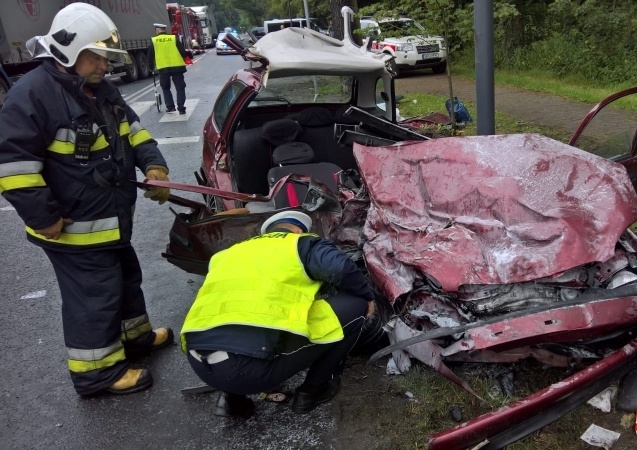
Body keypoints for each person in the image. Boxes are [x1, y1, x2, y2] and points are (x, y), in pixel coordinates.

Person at [0, 3, 174, 396]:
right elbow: (14, 169)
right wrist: (44, 218)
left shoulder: (101, 90)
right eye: (95, 56)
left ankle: (135, 340)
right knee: (94, 298)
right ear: (67, 51)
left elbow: (135, 132)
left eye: (105, 56)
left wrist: (155, 167)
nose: (103, 64)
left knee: (126, 280)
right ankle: (97, 374)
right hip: (73, 228)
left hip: (109, 220)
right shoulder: (31, 96)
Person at [180, 211, 375, 417]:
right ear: (299, 231)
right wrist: (367, 295)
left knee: (235, 324)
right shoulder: (300, 244)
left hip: (199, 362)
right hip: (246, 371)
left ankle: (231, 400)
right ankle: (313, 390)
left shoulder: (228, 254)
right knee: (356, 305)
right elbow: (341, 269)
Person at [147, 23, 188, 115]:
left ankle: (170, 107)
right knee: (180, 88)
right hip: (177, 67)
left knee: (165, 88)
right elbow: (183, 51)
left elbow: (150, 56)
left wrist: (151, 68)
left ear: (157, 31)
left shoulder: (154, 40)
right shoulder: (173, 38)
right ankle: (181, 108)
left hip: (163, 68)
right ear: (165, 30)